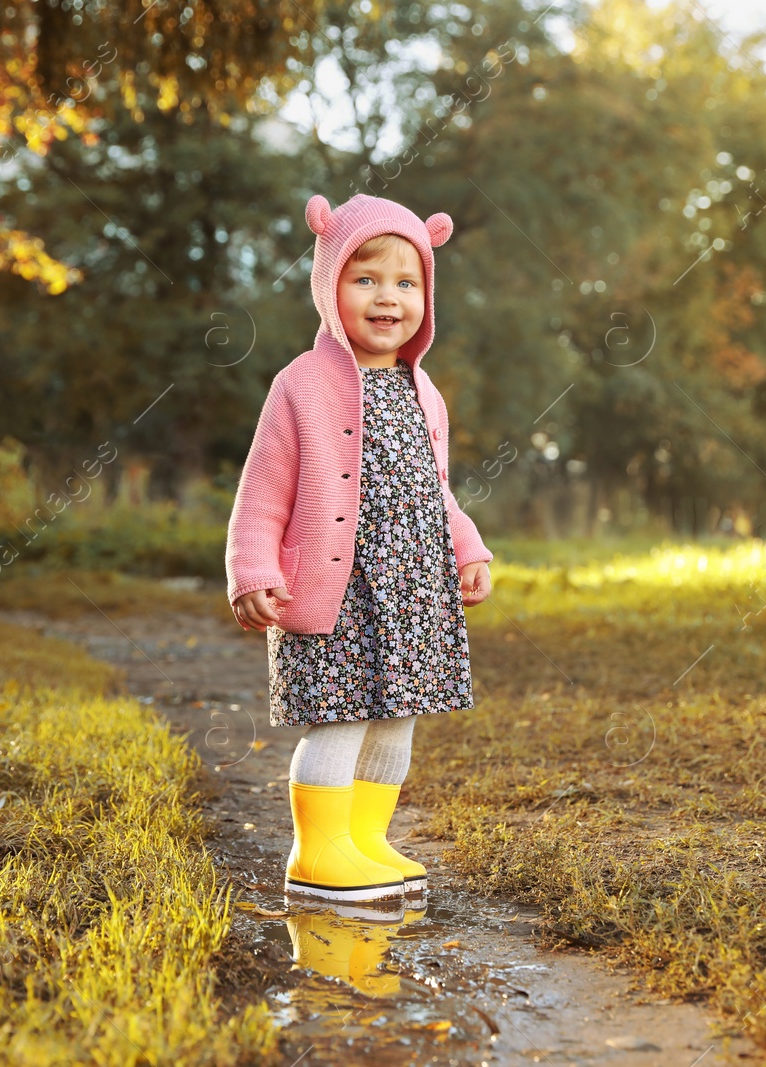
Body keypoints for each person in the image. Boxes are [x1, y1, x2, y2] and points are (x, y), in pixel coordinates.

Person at [225, 193, 493, 903]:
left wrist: (468, 547)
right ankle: (319, 851)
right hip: (336, 587)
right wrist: (252, 569)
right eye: (365, 278)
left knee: (398, 713)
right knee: (339, 714)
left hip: (412, 587)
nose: (388, 298)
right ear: (328, 283)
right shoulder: (301, 386)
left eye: (407, 283)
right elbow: (262, 490)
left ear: (426, 299)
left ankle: (366, 837)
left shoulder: (423, 389)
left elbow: (436, 488)